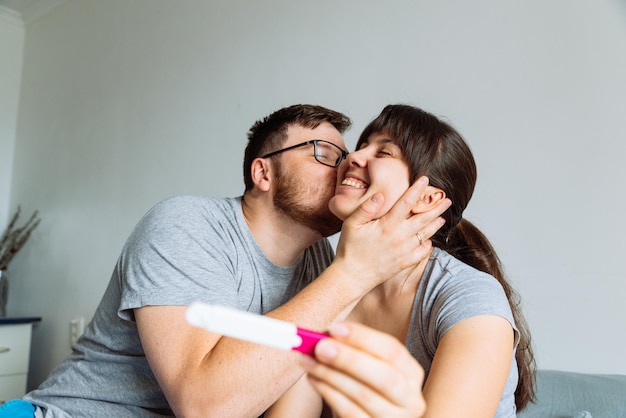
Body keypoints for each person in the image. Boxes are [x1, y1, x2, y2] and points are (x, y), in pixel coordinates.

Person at [7, 104, 450, 418]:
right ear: (263, 173)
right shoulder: (186, 224)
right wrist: (353, 273)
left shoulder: (321, 262)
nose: (345, 167)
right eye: (322, 153)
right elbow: (204, 407)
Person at [267, 104, 536, 418]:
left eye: (384, 153)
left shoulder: (469, 297)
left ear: (427, 199)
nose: (353, 157)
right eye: (362, 146)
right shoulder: (330, 290)